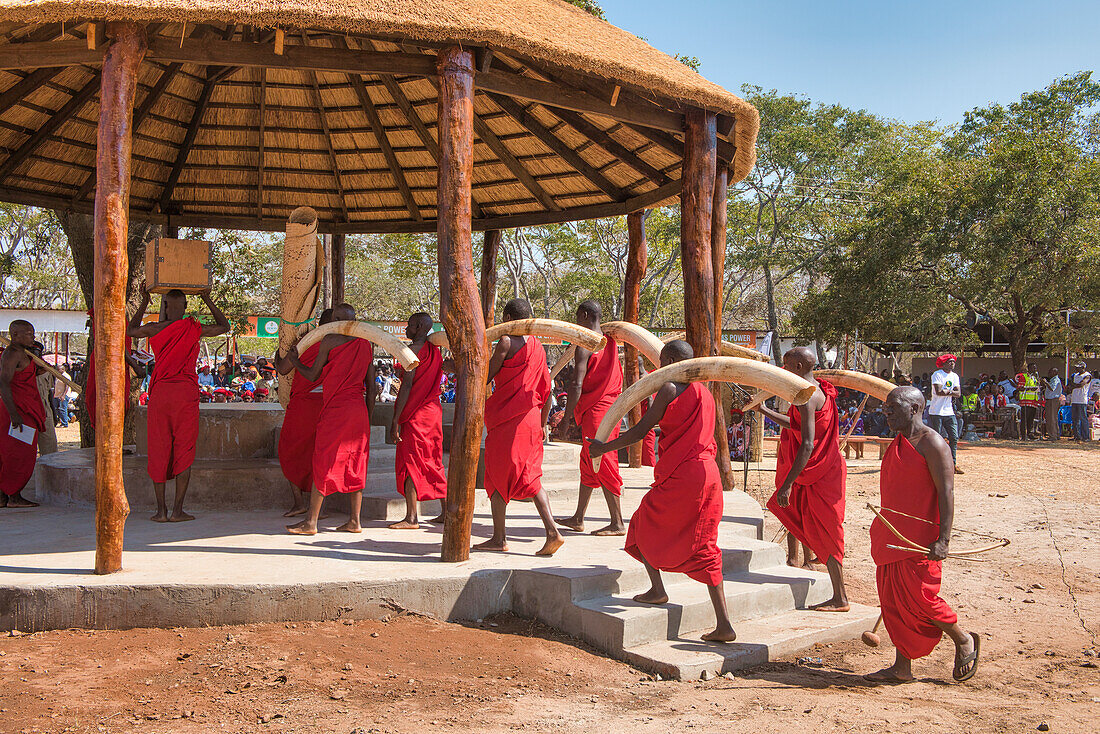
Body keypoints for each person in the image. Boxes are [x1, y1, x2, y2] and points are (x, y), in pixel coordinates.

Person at [589, 340, 735, 643]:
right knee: (702, 541)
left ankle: (668, 595)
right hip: (706, 475)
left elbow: (641, 431)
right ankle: (713, 617)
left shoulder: (669, 387)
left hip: (686, 475)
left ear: (668, 360)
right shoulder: (704, 392)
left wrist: (603, 447)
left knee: (644, 522)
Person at [865, 386, 980, 684]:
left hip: (919, 540)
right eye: (886, 408)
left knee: (920, 598)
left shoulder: (934, 444)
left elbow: (947, 492)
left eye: (893, 407)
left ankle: (962, 637)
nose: (886, 412)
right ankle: (902, 667)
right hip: (892, 535)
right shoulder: (900, 441)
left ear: (915, 408)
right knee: (894, 602)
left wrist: (944, 540)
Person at [753, 346, 848, 612]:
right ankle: (827, 581)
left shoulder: (807, 396)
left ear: (797, 367)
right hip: (821, 470)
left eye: (785, 364)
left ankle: (841, 598)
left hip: (820, 471)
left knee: (828, 530)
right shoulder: (816, 390)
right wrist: (763, 411)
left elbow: (807, 443)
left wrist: (787, 484)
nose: (782, 369)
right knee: (811, 521)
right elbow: (796, 425)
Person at [127, 287, 230, 522]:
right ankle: (177, 511)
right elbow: (224, 327)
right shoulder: (193, 328)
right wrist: (207, 299)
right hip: (184, 394)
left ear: (164, 307)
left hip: (161, 393)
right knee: (184, 449)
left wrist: (144, 302)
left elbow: (132, 330)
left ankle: (160, 511)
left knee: (159, 448)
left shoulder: (155, 328)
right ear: (185, 308)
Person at [475, 299, 564, 555]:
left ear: (508, 316)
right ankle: (503, 536)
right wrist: (544, 422)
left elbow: (485, 376)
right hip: (530, 418)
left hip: (509, 420)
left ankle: (548, 531)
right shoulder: (537, 346)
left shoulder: (505, 341)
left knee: (504, 473)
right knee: (526, 473)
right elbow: (546, 390)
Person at [285, 303, 375, 535]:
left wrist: (295, 361)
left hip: (337, 407)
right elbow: (372, 388)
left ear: (335, 320)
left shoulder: (329, 341)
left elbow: (313, 374)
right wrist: (369, 417)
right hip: (358, 410)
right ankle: (355, 521)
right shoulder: (366, 344)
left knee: (323, 459)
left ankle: (311, 522)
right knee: (357, 461)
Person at [555, 300, 626, 536]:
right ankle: (578, 518)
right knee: (588, 462)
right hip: (608, 408)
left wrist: (566, 420)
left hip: (598, 412)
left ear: (585, 315)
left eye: (577, 317)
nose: (576, 322)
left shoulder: (585, 345)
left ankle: (617, 522)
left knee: (603, 460)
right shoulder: (611, 340)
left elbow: (576, 385)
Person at [389, 313, 448, 530]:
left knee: (412, 461)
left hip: (416, 414)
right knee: (432, 459)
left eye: (410, 325)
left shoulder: (413, 351)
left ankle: (412, 517)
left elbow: (406, 386)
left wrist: (395, 419)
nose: (406, 329)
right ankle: (446, 511)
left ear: (421, 327)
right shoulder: (435, 351)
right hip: (433, 413)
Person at [274, 309, 334, 517]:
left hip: (303, 406)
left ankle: (299, 502)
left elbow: (283, 369)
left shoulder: (307, 342)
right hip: (328, 405)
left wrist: (279, 353)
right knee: (320, 455)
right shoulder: (345, 345)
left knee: (289, 450)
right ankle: (319, 507)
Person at [0, 320, 46, 508]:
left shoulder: (24, 353)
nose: (32, 337)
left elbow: (25, 375)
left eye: (33, 333)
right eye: (28, 333)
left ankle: (4, 496)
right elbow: (3, 382)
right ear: (15, 335)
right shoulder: (11, 353)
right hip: (17, 410)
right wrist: (14, 414)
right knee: (18, 454)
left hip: (26, 406)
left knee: (16, 453)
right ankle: (14, 496)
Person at [928, 354, 962, 473]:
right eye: (950, 362)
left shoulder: (955, 376)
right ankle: (936, 464)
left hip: (949, 411)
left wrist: (947, 391)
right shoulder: (937, 374)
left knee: (954, 437)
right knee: (937, 438)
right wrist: (951, 392)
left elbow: (958, 394)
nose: (952, 364)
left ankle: (953, 463)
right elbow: (938, 391)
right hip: (936, 411)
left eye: (953, 362)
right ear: (944, 363)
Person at [1069, 362, 1091, 442]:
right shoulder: (1075, 375)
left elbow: (1082, 384)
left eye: (1078, 367)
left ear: (1083, 367)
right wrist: (1074, 385)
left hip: (1082, 400)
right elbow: (1070, 383)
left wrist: (1074, 385)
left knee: (1083, 418)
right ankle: (1076, 436)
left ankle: (1086, 436)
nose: (1076, 369)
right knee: (1075, 419)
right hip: (1074, 399)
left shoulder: (1087, 375)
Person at [1041, 367, 1063, 441]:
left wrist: (1045, 382)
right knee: (1053, 418)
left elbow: (1052, 388)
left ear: (1055, 373)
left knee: (1051, 418)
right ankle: (1056, 435)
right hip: (1051, 400)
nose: (1049, 373)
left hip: (1053, 400)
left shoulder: (1055, 380)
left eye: (1050, 372)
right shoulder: (1053, 380)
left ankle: (1052, 436)